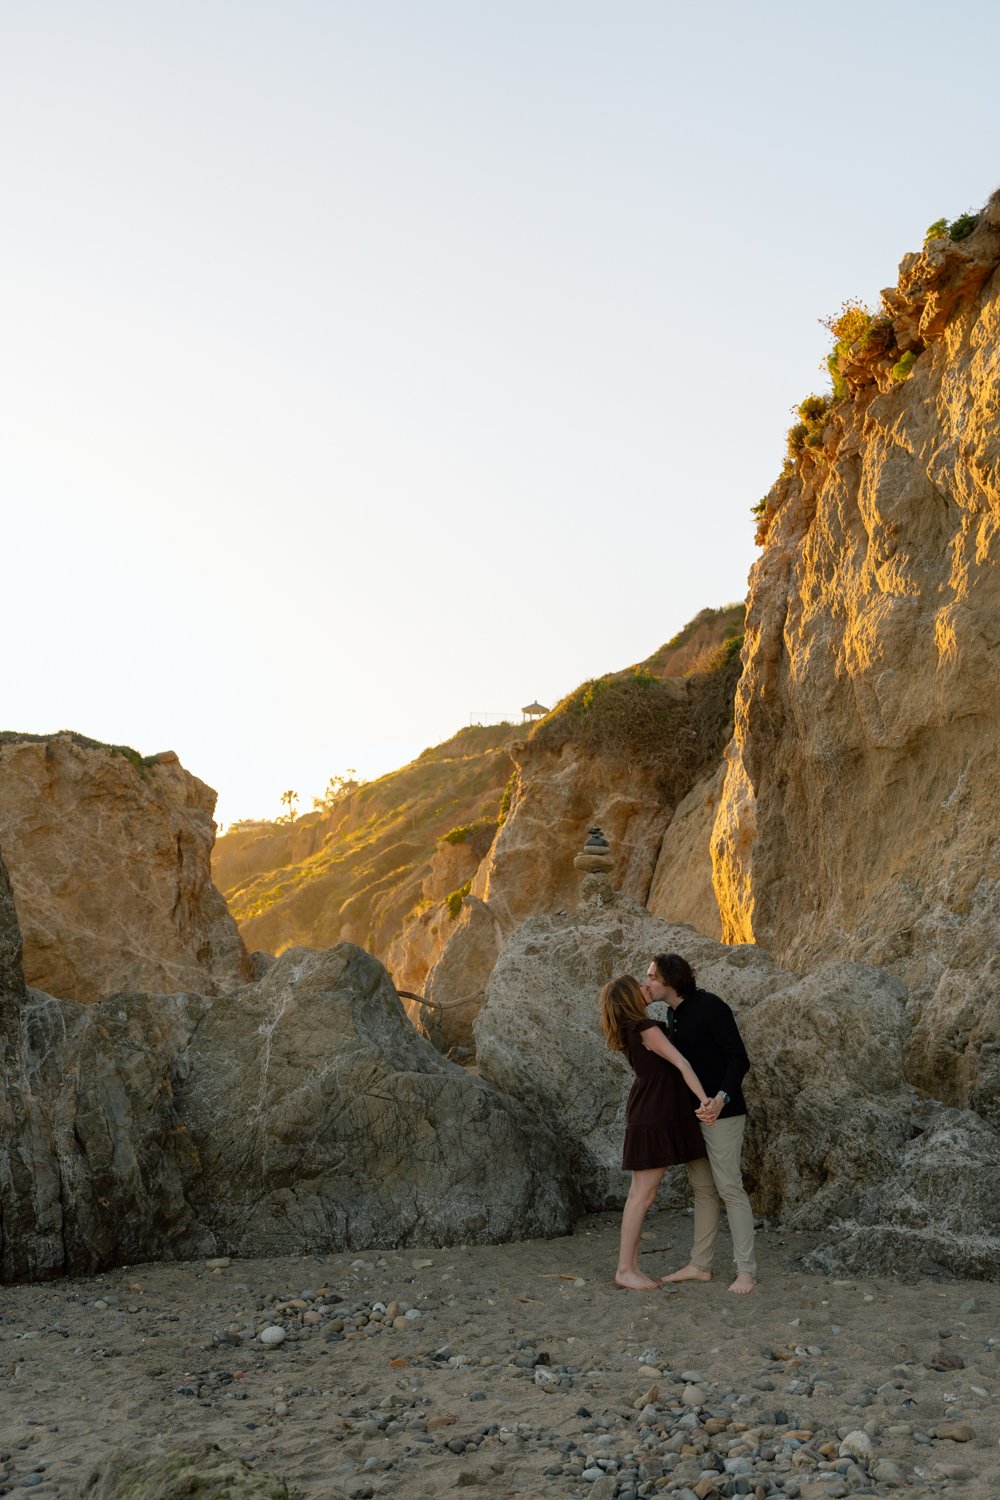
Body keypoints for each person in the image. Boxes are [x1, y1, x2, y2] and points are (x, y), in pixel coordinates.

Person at [646, 953, 757, 1294]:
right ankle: (700, 1265)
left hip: (723, 1113)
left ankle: (747, 1272)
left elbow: (739, 1058)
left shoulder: (711, 1006)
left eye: (651, 976)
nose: (646, 981)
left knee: (729, 1188)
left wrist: (721, 1098)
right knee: (703, 1190)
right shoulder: (671, 1013)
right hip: (693, 1116)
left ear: (670, 982)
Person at [600, 974, 712, 1291]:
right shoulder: (647, 1028)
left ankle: (630, 1267)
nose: (645, 987)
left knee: (639, 1195)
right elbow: (682, 1064)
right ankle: (625, 1269)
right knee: (642, 1196)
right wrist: (706, 1101)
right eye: (639, 985)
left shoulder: (631, 1030)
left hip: (645, 1112)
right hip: (653, 1116)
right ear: (629, 997)